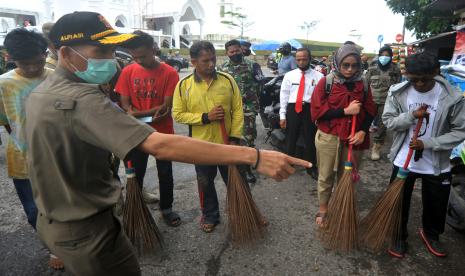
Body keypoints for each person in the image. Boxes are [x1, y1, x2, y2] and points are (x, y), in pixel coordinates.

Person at [25, 12, 310, 275]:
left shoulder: (45, 92)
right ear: (65, 53)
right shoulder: (78, 100)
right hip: (85, 229)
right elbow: (159, 145)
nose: (111, 60)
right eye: (101, 52)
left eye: (112, 51)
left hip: (71, 220)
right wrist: (254, 156)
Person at [383, 52, 465, 258]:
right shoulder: (397, 93)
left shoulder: (452, 97)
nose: (419, 84)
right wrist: (411, 116)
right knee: (399, 202)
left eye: (425, 79)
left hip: (437, 162)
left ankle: (431, 234)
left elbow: (460, 130)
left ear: (435, 73)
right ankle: (398, 236)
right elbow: (389, 121)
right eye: (414, 79)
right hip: (404, 160)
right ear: (407, 74)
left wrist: (428, 143)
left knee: (436, 204)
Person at [0, 28, 64, 270]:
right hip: (22, 159)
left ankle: (66, 244)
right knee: (32, 211)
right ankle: (52, 247)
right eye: (24, 64)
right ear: (10, 57)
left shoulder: (56, 76)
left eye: (37, 62)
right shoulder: (4, 84)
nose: (32, 69)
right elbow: (6, 121)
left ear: (44, 53)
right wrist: (22, 140)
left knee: (61, 204)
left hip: (58, 154)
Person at [172, 41, 241, 233]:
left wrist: (235, 136)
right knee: (205, 182)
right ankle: (210, 214)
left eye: (213, 59)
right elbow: (177, 114)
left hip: (228, 144)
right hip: (200, 146)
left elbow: (237, 110)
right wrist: (205, 117)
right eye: (205, 61)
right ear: (193, 62)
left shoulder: (228, 80)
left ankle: (241, 212)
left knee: (236, 181)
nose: (211, 64)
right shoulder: (183, 85)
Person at [115, 30, 181, 226]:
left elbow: (166, 107)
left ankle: (167, 208)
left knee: (165, 173)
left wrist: (134, 114)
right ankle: (136, 208)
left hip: (163, 132)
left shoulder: (169, 72)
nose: (139, 60)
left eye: (142, 56)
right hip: (136, 133)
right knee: (135, 173)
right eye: (135, 57)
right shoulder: (128, 70)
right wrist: (138, 112)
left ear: (153, 49)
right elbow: (124, 101)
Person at [311, 43, 376, 226]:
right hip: (329, 137)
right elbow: (317, 112)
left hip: (354, 137)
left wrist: (363, 130)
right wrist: (345, 111)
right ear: (338, 63)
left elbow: (371, 110)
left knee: (348, 176)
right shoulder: (327, 82)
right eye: (345, 65)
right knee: (325, 176)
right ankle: (323, 208)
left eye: (354, 65)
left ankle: (341, 207)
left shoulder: (363, 83)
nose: (350, 69)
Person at [219, 39, 261, 183]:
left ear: (241, 50)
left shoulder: (252, 65)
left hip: (247, 108)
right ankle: (235, 165)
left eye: (237, 50)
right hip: (229, 111)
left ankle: (247, 169)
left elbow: (259, 84)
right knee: (232, 138)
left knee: (248, 139)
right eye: (232, 52)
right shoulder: (221, 68)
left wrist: (253, 103)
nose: (235, 53)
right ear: (227, 53)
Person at [279, 48, 323, 180]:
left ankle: (311, 166)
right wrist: (282, 115)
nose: (301, 62)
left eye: (304, 59)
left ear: (309, 58)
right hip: (293, 109)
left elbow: (321, 97)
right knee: (291, 137)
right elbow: (284, 95)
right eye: (298, 59)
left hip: (310, 109)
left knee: (310, 139)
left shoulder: (319, 77)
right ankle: (288, 164)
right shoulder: (289, 75)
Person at [366, 45, 401, 161]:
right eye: (382, 55)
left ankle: (376, 147)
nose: (384, 57)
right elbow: (366, 83)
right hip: (371, 100)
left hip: (386, 102)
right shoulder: (372, 67)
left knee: (382, 126)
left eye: (387, 55)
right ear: (379, 55)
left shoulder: (395, 69)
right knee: (364, 122)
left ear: (391, 57)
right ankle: (360, 143)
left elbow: (398, 86)